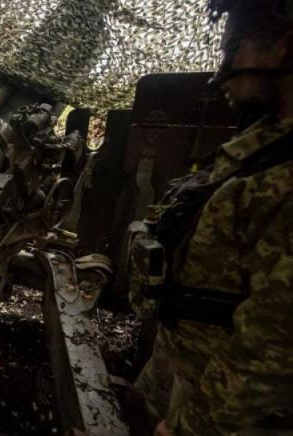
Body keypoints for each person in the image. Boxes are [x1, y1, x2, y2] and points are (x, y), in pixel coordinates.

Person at [129, 1, 293, 434]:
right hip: (186, 365)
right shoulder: (265, 143)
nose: (221, 69)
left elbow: (274, 348)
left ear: (283, 48)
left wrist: (193, 425)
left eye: (234, 48)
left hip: (226, 410)